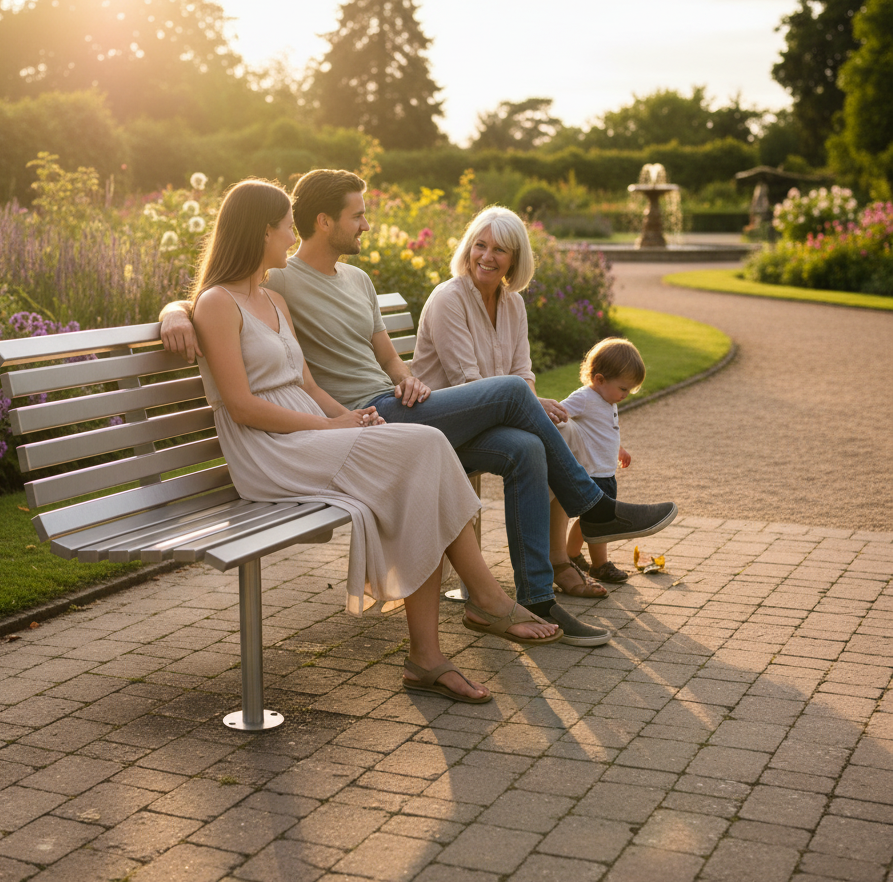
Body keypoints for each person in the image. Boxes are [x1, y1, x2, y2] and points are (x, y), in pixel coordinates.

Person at [161, 169, 678, 646]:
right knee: (515, 394)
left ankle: (535, 597)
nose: (368, 223)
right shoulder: (284, 281)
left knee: (524, 448)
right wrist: (174, 311)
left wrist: (408, 378)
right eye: (359, 215)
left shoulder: (358, 281)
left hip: (396, 404)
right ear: (325, 221)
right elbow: (221, 293)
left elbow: (388, 357)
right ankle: (596, 509)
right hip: (360, 421)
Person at [189, 178, 560, 705]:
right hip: (270, 448)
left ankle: (429, 657)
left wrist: (356, 418)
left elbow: (307, 384)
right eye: (283, 230)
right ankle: (485, 603)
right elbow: (243, 406)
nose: (289, 240)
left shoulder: (272, 298)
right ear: (260, 232)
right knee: (423, 452)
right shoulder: (216, 304)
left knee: (422, 453)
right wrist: (331, 427)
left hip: (315, 429)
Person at [412, 205, 609, 599]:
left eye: (499, 250)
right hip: (446, 423)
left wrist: (536, 403)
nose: (487, 257)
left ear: (515, 259)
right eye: (480, 245)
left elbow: (522, 373)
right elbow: (467, 383)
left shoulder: (513, 304)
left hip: (495, 415)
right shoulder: (448, 298)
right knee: (534, 443)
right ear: (468, 248)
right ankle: (595, 512)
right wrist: (528, 406)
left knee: (563, 428)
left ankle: (557, 562)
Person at [557, 338, 647, 585]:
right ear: (599, 379)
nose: (625, 395)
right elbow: (559, 413)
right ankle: (600, 566)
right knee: (601, 522)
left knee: (590, 519)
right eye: (624, 389)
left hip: (605, 472)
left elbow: (603, 430)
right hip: (591, 473)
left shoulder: (607, 399)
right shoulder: (585, 397)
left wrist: (619, 448)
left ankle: (572, 554)